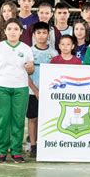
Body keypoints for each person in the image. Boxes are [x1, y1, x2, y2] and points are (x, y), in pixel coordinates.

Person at [0, 18, 34, 163]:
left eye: (15, 29)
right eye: (9, 29)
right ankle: (1, 151)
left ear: (21, 32)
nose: (12, 32)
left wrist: (29, 68)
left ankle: (16, 151)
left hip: (21, 88)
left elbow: (31, 70)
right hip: (1, 88)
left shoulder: (26, 49)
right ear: (4, 31)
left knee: (18, 121)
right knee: (3, 120)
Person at [27, 22, 58, 157]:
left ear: (48, 35)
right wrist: (36, 90)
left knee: (47, 118)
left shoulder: (54, 53)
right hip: (32, 92)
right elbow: (25, 75)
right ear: (34, 35)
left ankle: (45, 144)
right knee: (33, 118)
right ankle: (33, 145)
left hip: (49, 93)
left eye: (44, 33)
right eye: (38, 33)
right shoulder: (29, 52)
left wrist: (46, 90)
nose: (41, 35)